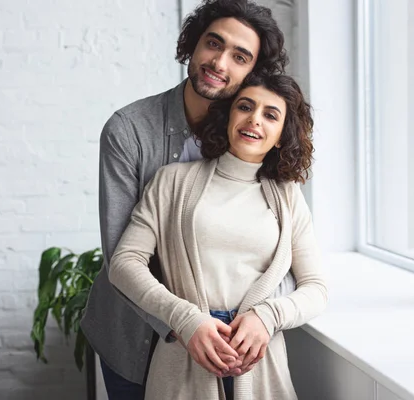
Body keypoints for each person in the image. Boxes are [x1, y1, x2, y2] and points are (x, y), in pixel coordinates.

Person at [80, 1, 292, 399]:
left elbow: (280, 245)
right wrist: (187, 322)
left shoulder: (250, 139)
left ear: (253, 72)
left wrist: (263, 315)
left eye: (240, 56)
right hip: (131, 337)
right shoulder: (129, 130)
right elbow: (121, 256)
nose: (219, 62)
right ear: (193, 45)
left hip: (226, 341)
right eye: (213, 43)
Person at [108, 72, 328, 400]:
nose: (254, 119)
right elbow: (124, 263)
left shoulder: (288, 197)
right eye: (245, 107)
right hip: (185, 348)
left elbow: (317, 288)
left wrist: (268, 316)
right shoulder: (172, 181)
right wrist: (183, 318)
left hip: (259, 358)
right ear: (228, 116)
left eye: (270, 115)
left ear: (282, 135)